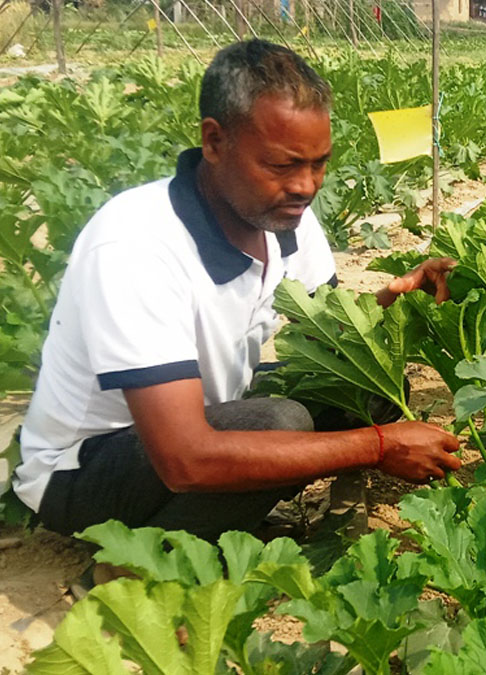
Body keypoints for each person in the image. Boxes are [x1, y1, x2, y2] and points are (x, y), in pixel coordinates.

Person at [11, 39, 462, 542]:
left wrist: (395, 301)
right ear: (214, 141)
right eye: (282, 165)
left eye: (319, 163)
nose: (307, 185)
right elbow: (185, 459)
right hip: (87, 471)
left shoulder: (286, 217)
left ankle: (219, 523)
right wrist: (377, 447)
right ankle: (132, 568)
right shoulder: (135, 244)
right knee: (281, 421)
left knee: (371, 389)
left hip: (205, 413)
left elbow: (335, 339)